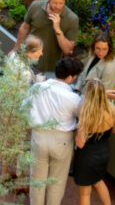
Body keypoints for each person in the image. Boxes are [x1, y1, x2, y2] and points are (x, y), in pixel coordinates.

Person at [27, 57, 84, 205]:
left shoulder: (37, 88)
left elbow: (24, 110)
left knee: (37, 181)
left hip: (39, 137)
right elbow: (81, 117)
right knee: (56, 183)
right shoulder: (73, 99)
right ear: (70, 77)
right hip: (62, 141)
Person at [72, 79, 115, 205]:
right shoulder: (111, 108)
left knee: (85, 193)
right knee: (99, 182)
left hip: (86, 157)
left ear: (89, 95)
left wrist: (77, 132)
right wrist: (110, 131)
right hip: (103, 154)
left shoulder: (86, 113)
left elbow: (80, 143)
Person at [17, 0, 79, 75]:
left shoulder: (72, 19)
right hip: (27, 62)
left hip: (50, 70)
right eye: (54, 3)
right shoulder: (35, 6)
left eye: (61, 3)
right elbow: (24, 28)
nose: (58, 6)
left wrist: (58, 29)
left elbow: (68, 50)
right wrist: (16, 49)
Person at [78, 32, 115, 98]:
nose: (100, 52)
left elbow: (104, 94)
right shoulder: (93, 54)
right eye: (98, 48)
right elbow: (84, 72)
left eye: (104, 49)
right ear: (93, 46)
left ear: (109, 48)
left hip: (94, 103)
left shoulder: (110, 67)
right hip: (81, 95)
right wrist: (77, 89)